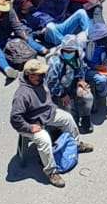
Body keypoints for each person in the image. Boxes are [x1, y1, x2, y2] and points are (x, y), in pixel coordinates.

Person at [9, 56, 93, 188]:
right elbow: (15, 118)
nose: (43, 75)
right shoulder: (22, 94)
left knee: (67, 118)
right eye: (39, 74)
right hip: (31, 122)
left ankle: (76, 144)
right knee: (44, 140)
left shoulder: (40, 82)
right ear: (30, 76)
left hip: (46, 114)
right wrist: (30, 128)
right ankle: (51, 172)